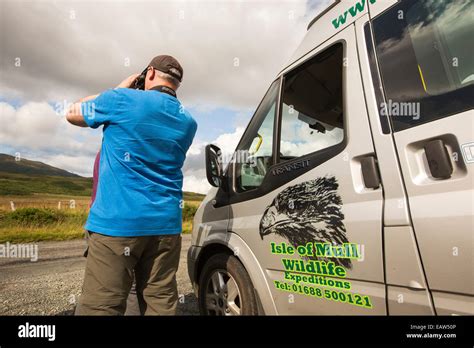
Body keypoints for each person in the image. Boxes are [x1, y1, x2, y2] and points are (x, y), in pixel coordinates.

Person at [66, 55, 197, 315]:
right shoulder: (188, 122)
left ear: (149, 73)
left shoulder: (121, 99)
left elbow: (72, 113)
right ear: (176, 84)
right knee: (161, 303)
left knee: (102, 305)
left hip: (117, 224)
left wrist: (119, 88)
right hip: (165, 227)